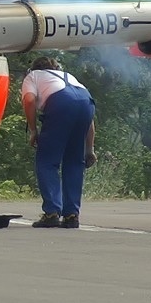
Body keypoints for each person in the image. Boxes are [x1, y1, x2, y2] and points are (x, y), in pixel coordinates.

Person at [21, 55, 96, 228]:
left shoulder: (32, 76)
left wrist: (33, 130)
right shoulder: (69, 77)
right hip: (86, 103)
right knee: (74, 162)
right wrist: (89, 149)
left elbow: (29, 100)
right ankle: (71, 215)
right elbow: (89, 120)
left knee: (47, 161)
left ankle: (52, 212)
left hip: (60, 104)